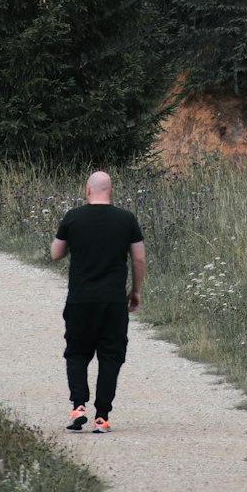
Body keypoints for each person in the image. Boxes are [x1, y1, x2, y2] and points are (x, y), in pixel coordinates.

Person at [50, 170, 145, 433]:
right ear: (110, 191)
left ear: (87, 190)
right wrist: (135, 291)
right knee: (110, 357)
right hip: (113, 301)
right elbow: (138, 259)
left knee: (77, 353)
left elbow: (56, 253)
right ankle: (102, 417)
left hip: (80, 300)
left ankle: (78, 405)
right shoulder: (126, 219)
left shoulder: (73, 217)